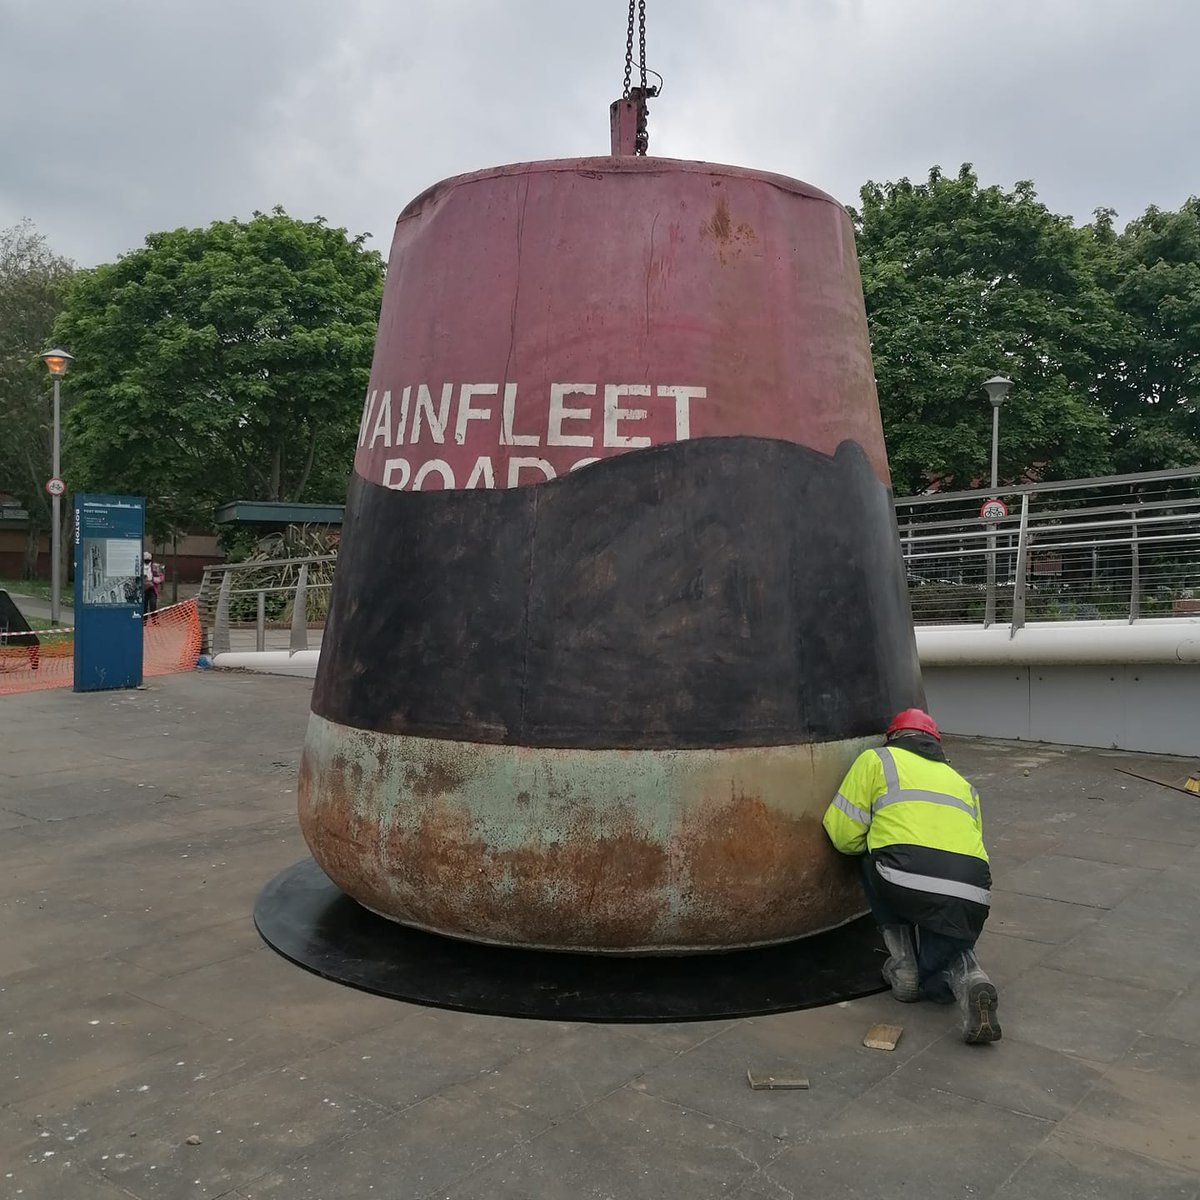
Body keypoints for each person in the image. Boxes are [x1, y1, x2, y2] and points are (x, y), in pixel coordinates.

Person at [822, 708, 1001, 1044]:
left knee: (868, 853)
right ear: (935, 744)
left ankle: (904, 967)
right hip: (974, 892)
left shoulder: (877, 760)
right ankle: (972, 977)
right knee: (939, 981)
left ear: (893, 738)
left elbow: (843, 836)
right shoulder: (962, 783)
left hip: (904, 881)